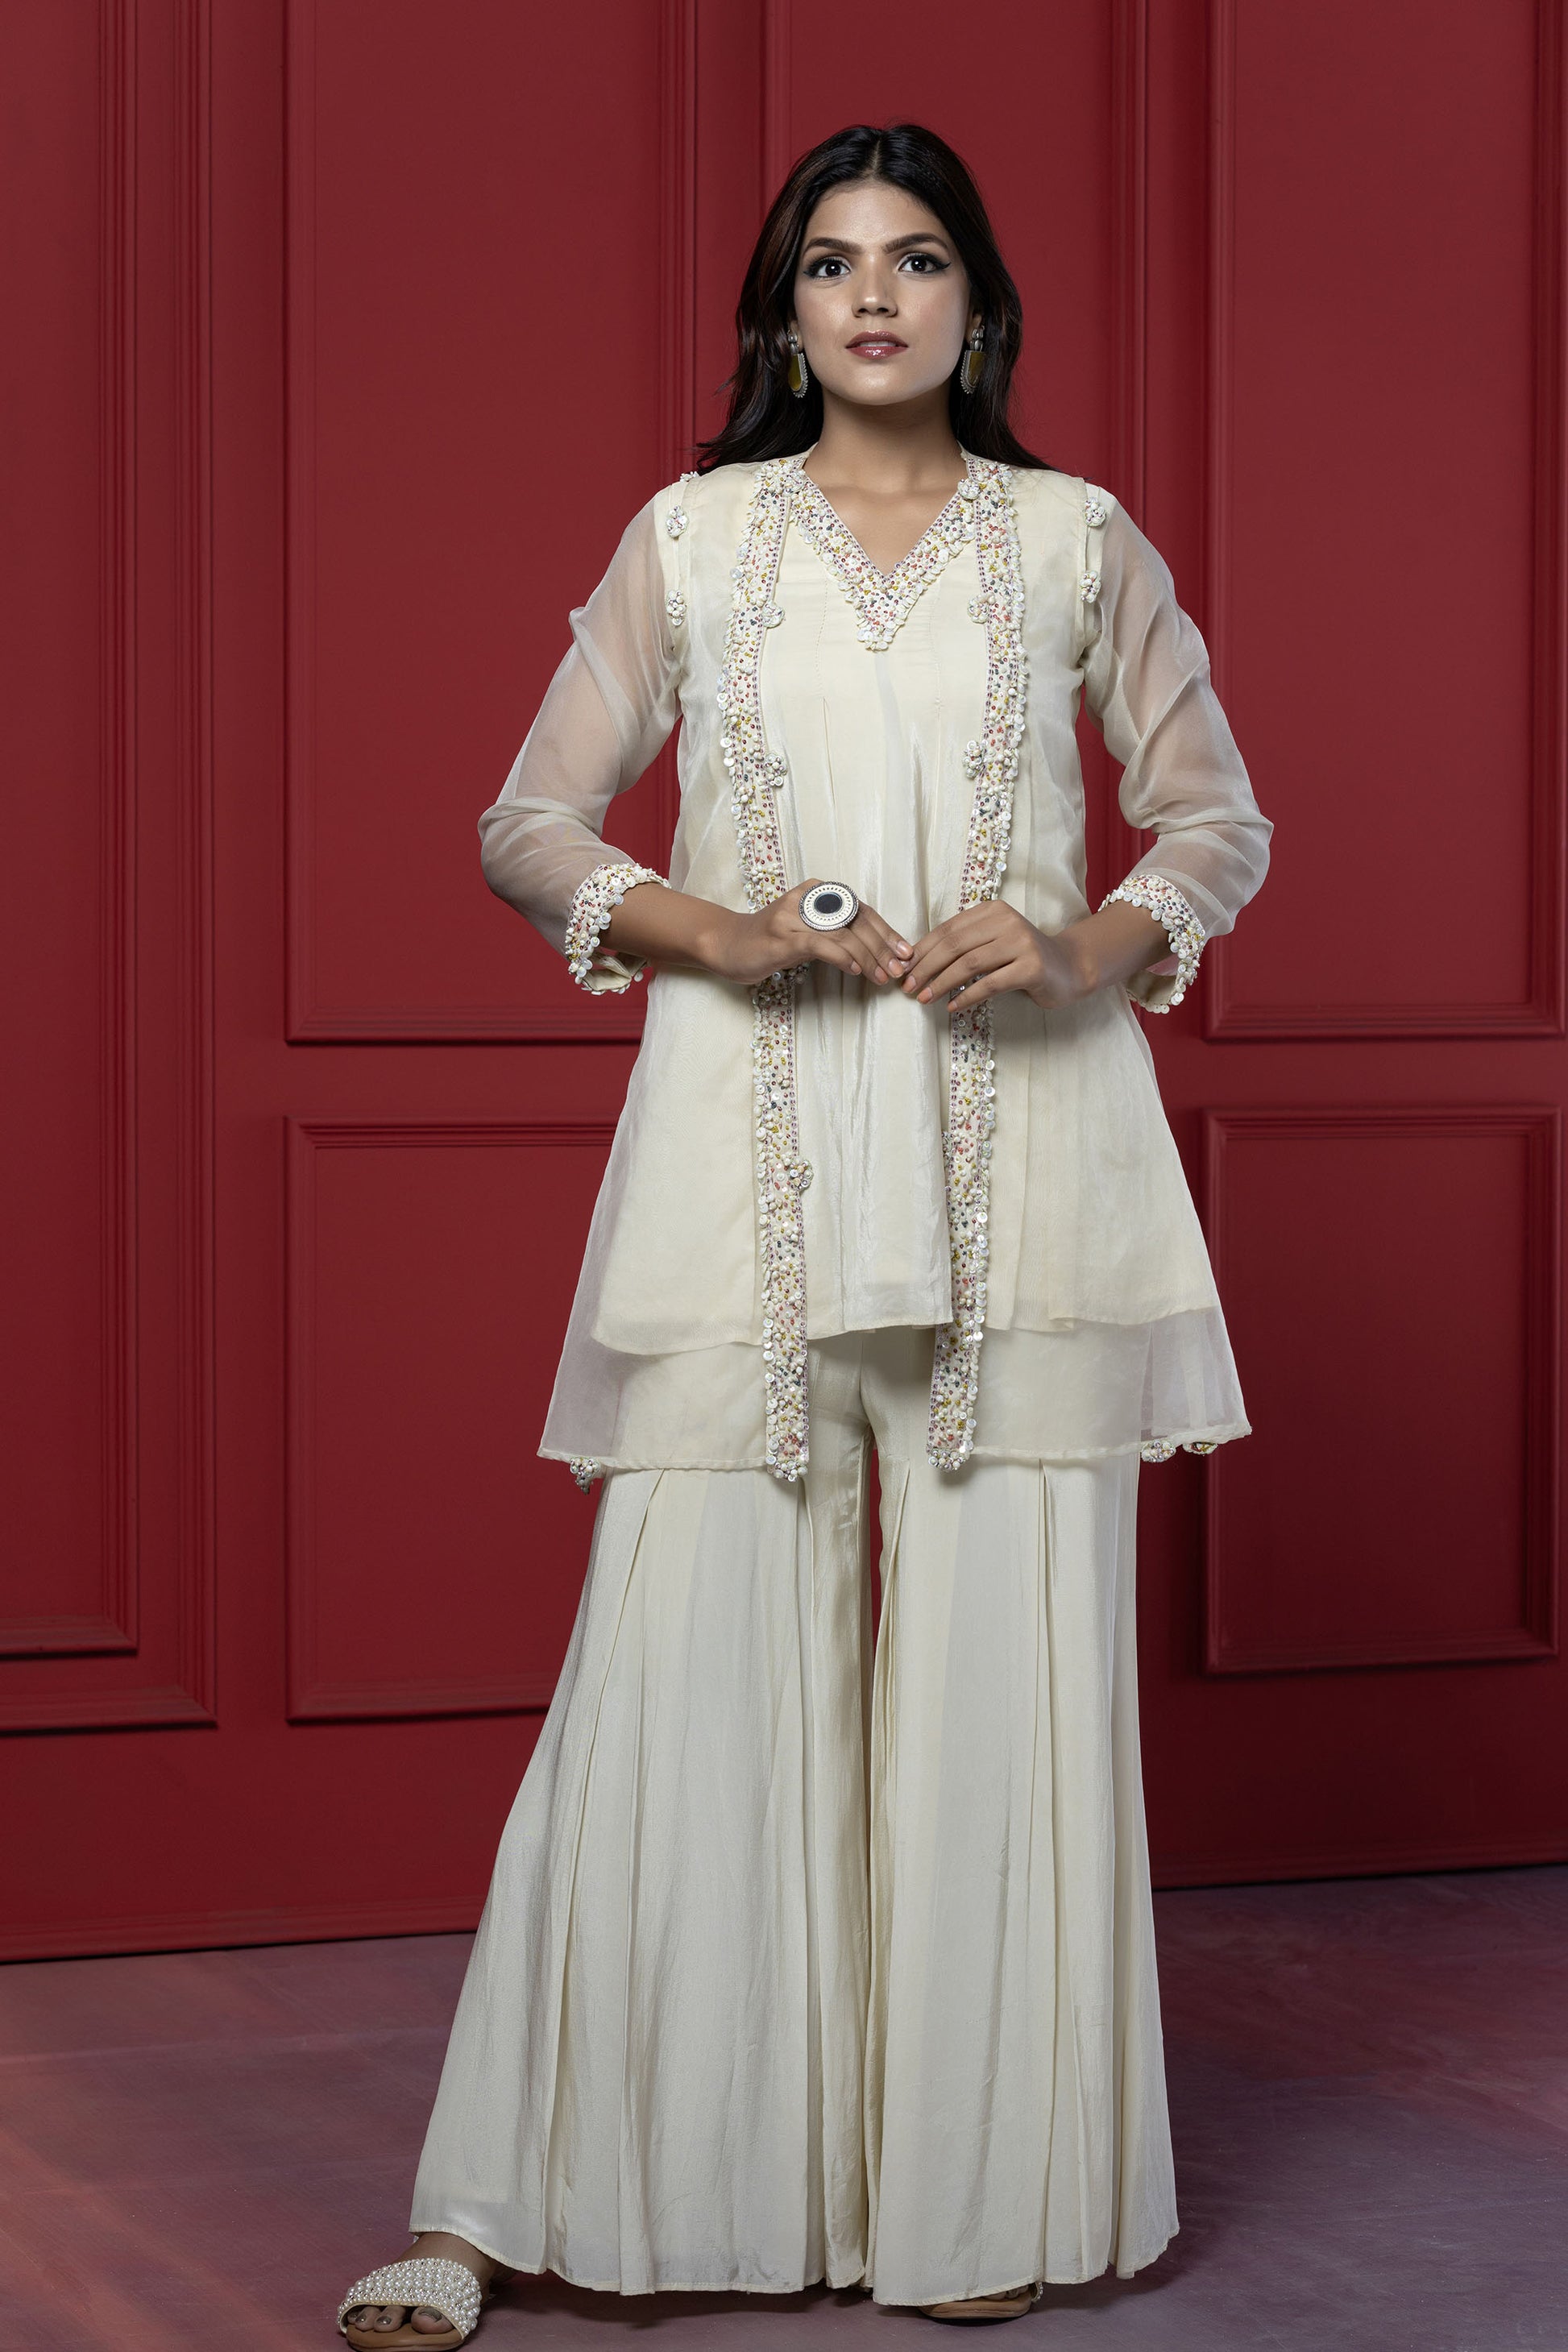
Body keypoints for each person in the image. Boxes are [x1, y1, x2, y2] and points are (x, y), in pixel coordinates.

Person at [337, 120, 1270, 2348]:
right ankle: (521, 2201)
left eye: (917, 259)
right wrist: (720, 929)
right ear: (780, 314)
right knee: (676, 1669)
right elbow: (528, 821)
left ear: (979, 308)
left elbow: (1214, 820)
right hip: (743, 1154)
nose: (873, 295)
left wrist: (1076, 944)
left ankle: (969, 2204)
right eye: (831, 263)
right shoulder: (692, 541)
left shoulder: (1072, 541)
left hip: (1023, 1161)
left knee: (1005, 1673)